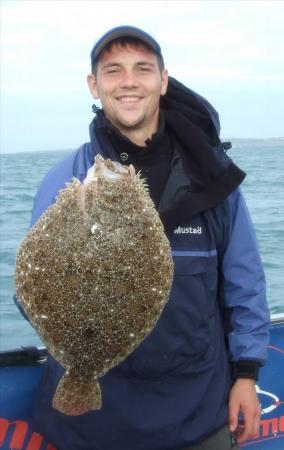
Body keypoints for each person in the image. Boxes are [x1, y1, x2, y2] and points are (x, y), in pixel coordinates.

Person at [15, 25, 270, 450]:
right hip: (89, 428)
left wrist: (246, 374)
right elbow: (30, 285)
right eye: (113, 71)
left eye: (142, 69)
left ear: (163, 80)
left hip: (196, 414)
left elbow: (245, 281)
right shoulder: (63, 179)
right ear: (94, 85)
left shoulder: (211, 178)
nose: (129, 81)